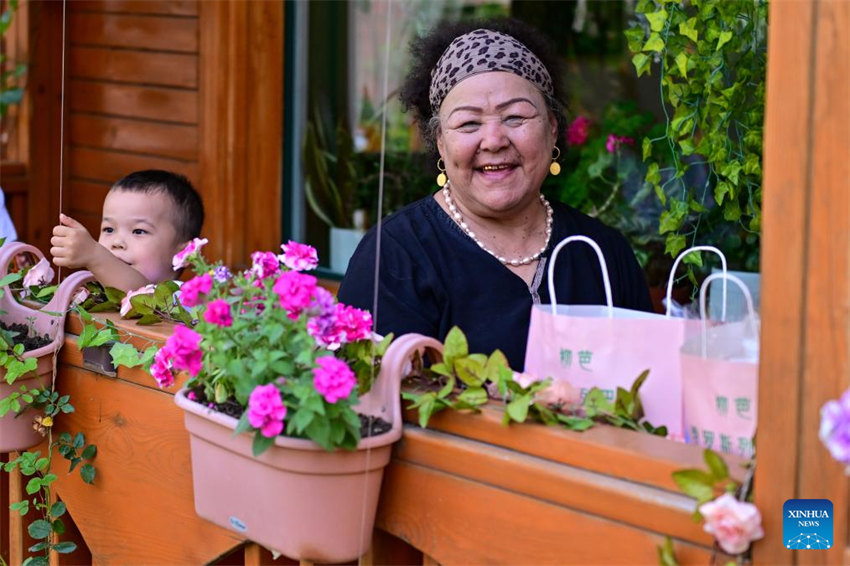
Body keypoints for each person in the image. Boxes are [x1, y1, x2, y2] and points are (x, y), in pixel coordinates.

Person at [338, 18, 653, 370]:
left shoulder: (605, 254)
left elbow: (645, 393)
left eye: (515, 117)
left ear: (552, 129)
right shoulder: (394, 258)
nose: (494, 140)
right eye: (469, 123)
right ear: (440, 143)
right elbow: (376, 405)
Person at [50, 170, 204, 292]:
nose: (117, 242)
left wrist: (94, 255)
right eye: (109, 229)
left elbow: (139, 294)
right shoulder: (95, 288)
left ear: (185, 253)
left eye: (138, 231)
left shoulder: (181, 299)